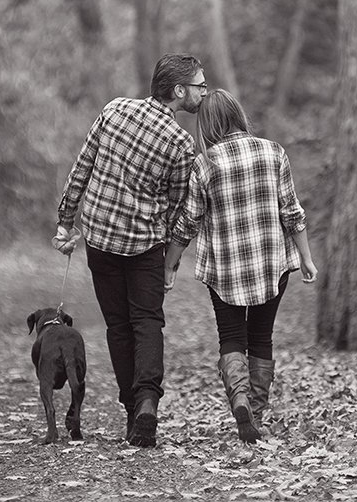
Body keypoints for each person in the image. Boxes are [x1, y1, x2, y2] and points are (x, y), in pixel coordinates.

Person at [52, 53, 206, 448]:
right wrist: (169, 260)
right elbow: (175, 206)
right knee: (148, 321)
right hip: (144, 247)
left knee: (119, 327)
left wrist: (66, 221)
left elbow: (81, 168)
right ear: (178, 91)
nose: (203, 92)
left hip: (101, 242)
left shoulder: (114, 110)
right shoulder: (180, 143)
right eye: (199, 86)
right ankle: (147, 403)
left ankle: (130, 408)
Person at [164, 89, 318, 443]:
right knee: (261, 337)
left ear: (208, 123)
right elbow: (291, 211)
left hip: (225, 269)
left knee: (231, 337)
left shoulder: (205, 164)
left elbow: (189, 221)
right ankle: (257, 413)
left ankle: (240, 400)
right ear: (238, 114)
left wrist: (169, 265)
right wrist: (306, 257)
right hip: (271, 263)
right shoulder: (273, 151)